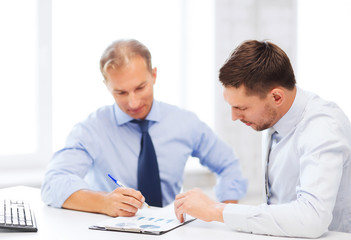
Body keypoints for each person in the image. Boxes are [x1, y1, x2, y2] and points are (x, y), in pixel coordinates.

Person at [41, 39, 247, 217]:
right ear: (107, 86)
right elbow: (53, 184)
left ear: (154, 75)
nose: (133, 102)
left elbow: (228, 164)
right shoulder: (91, 129)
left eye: (140, 87)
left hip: (171, 230)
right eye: (121, 92)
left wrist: (224, 213)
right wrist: (104, 202)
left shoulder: (184, 122)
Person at [174, 40, 351, 238]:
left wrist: (216, 210)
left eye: (241, 108)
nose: (234, 117)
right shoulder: (274, 117)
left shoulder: (322, 127)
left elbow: (311, 218)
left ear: (276, 97)